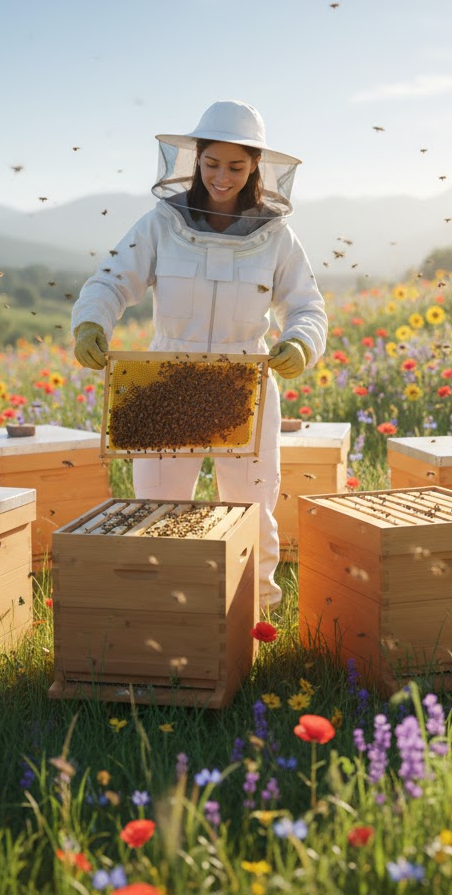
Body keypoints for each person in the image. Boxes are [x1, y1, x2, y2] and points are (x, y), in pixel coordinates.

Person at [71, 100, 328, 610]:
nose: (222, 177)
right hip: (167, 376)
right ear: (195, 159)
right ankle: (163, 616)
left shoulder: (277, 235)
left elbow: (306, 305)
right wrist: (90, 321)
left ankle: (256, 615)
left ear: (255, 165)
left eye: (235, 166)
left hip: (246, 379)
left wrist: (301, 342)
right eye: (212, 163)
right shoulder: (161, 224)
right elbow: (111, 280)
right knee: (157, 508)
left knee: (252, 506)